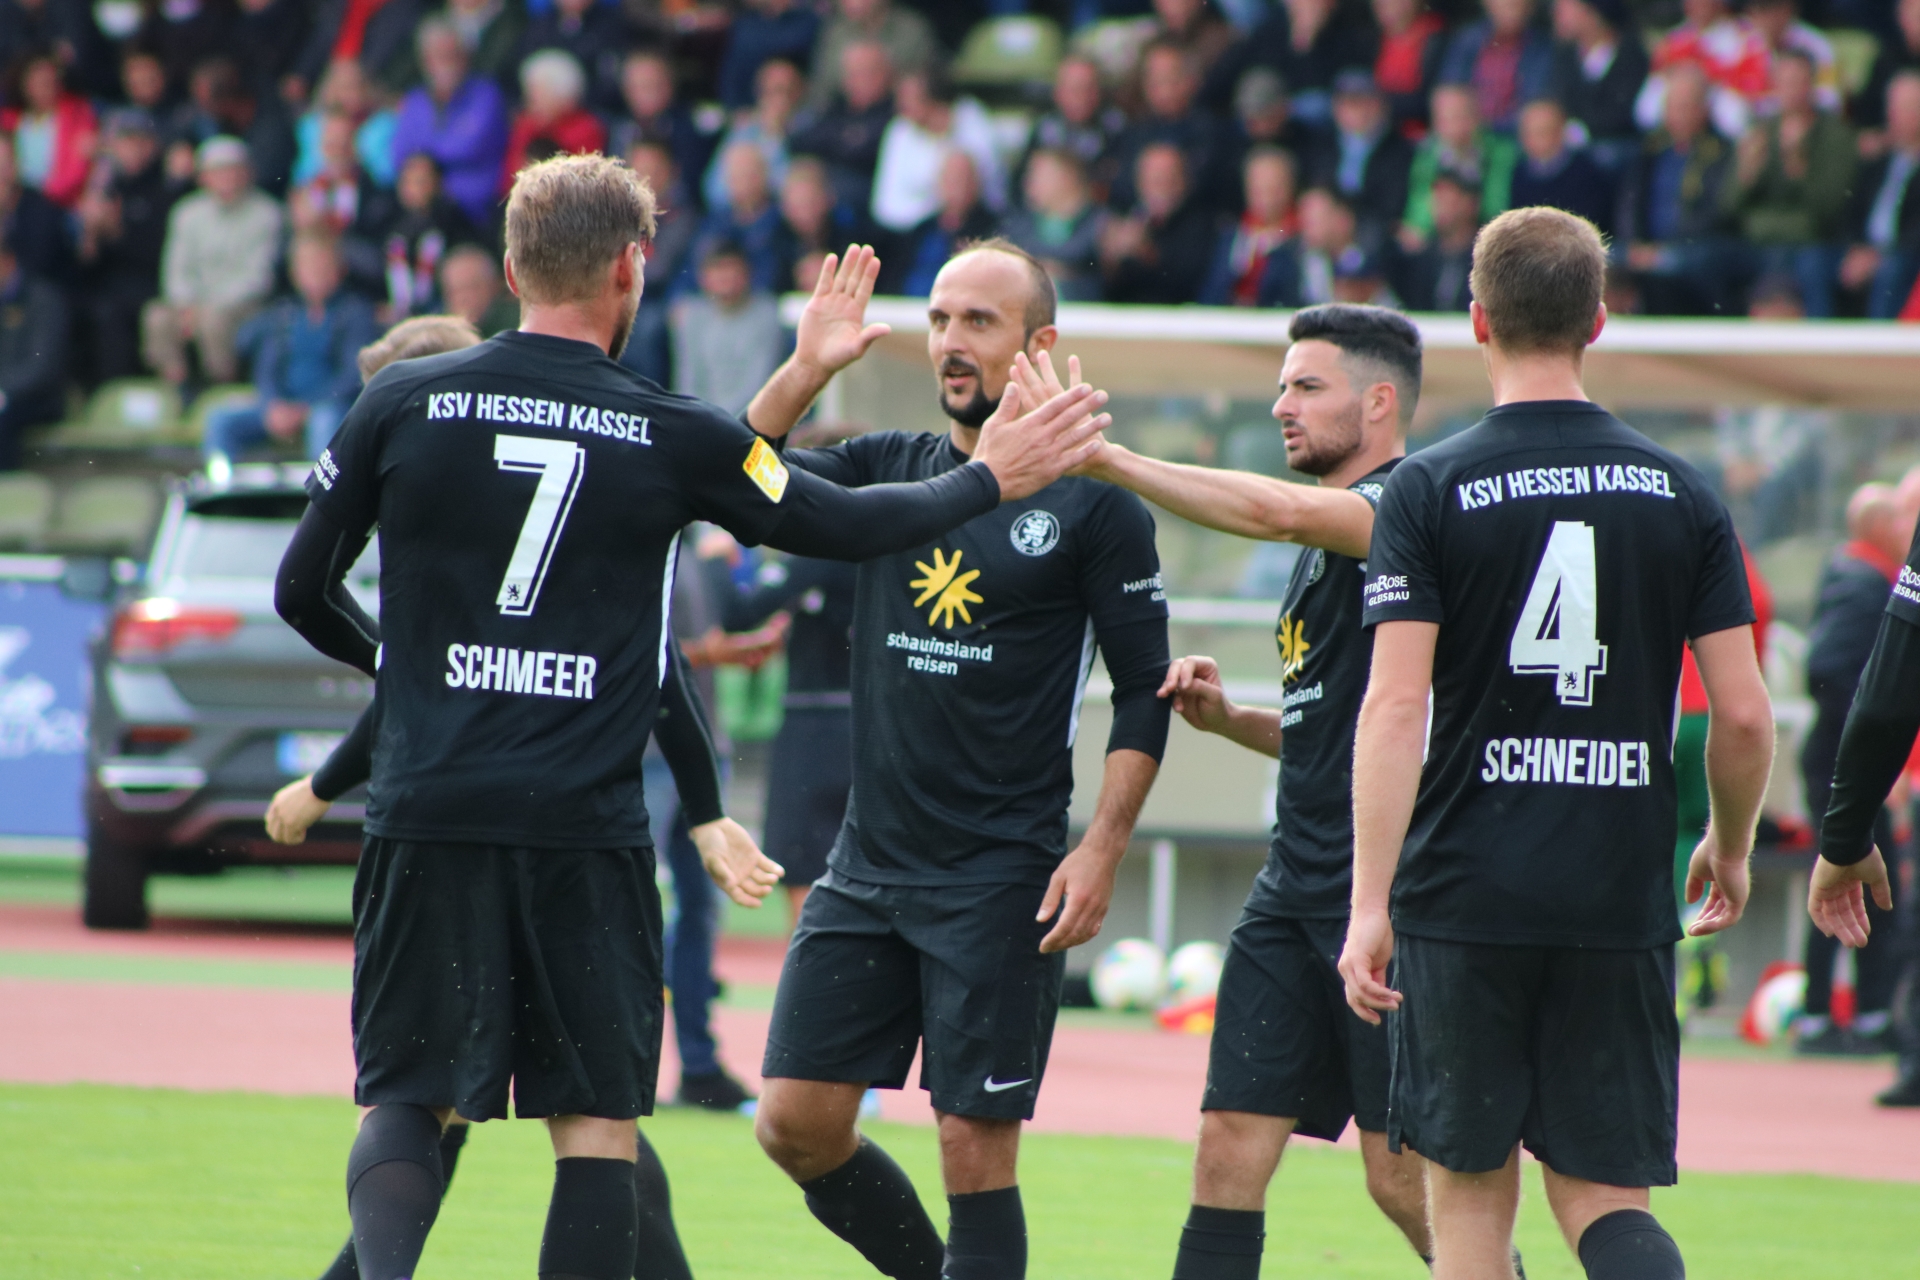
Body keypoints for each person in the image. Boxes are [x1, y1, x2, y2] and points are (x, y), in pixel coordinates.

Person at [271, 152, 1111, 1280]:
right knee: (594, 1125)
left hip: (427, 807)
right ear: (631, 268)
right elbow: (832, 521)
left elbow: (300, 590)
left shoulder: (399, 398)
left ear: (511, 269)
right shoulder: (664, 429)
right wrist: (987, 480)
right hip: (584, 827)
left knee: (408, 1096)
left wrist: (411, 670)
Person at [1338, 205, 1776, 1280]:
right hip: (1615, 896)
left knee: (1471, 1204)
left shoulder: (1428, 487)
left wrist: (1368, 901)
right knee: (1603, 1199)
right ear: (1599, 319)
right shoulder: (1681, 490)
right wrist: (1729, 845)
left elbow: (1394, 707)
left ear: (1477, 320)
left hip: (1464, 896)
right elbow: (1743, 713)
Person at [743, 237, 1170, 1280]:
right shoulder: (885, 465)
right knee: (794, 1124)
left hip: (999, 876)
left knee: (973, 1148)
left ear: (1039, 342)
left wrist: (1102, 848)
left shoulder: (1098, 506)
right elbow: (742, 487)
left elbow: (1144, 695)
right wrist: (803, 370)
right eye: (939, 319)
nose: (950, 340)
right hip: (866, 867)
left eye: (978, 320)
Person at [267, 309, 706, 1280]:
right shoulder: (575, 460)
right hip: (571, 833)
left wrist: (322, 784)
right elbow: (660, 674)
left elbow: (406, 683)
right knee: (591, 1124)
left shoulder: (445, 481)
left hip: (459, 829)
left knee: (439, 1106)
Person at [1066, 304, 1446, 1276]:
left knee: (1400, 1176)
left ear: (1379, 401)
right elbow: (1335, 731)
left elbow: (1273, 510)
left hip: (1391, 895)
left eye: (1306, 387)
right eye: (1280, 386)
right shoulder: (1324, 545)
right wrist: (1233, 720)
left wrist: (1106, 459)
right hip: (1292, 888)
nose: (1281, 405)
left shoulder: (1406, 507)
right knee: (1228, 1142)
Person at [1792, 482, 1913, 1056]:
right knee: (1851, 876)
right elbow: (1831, 670)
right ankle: (1842, 1015)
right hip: (1847, 761)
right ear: (1879, 526)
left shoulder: (1857, 578)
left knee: (1849, 877)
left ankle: (1842, 1013)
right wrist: (1870, 756)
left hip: (1843, 757)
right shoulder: (1863, 584)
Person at [203, 231, 377, 462]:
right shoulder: (284, 314)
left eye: (321, 265)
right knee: (221, 419)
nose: (315, 273)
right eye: (307, 266)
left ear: (339, 270)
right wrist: (272, 405)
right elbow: (267, 366)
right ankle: (220, 481)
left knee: (324, 420)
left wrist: (304, 408)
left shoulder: (355, 313)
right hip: (283, 406)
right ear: (295, 272)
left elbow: (352, 376)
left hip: (328, 407)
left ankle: (318, 484)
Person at [1721, 48, 1853, 318]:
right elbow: (1728, 206)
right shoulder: (1761, 130)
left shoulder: (1835, 135)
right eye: (1784, 82)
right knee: (1711, 260)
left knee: (1804, 264)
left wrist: (1798, 167)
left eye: (1798, 82)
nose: (1791, 91)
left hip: (1812, 242)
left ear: (1811, 86)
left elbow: (1828, 209)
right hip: (1759, 240)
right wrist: (1746, 174)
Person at [142, 135, 283, 390]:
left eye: (232, 171)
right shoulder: (186, 213)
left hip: (242, 304)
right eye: (217, 172)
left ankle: (220, 386)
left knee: (213, 320)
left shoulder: (267, 213)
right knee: (157, 316)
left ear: (246, 174)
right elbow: (176, 269)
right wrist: (186, 304)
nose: (226, 179)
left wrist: (205, 306)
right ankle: (176, 387)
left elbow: (258, 277)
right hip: (193, 304)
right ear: (203, 178)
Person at [1613, 62, 1735, 317]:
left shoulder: (1720, 153)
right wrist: (1636, 244)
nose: (1677, 115)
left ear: (1704, 109)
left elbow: (1717, 211)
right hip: (1644, 248)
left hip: (1692, 248)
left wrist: (1662, 251)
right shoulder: (1650, 150)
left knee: (1691, 261)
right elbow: (1630, 203)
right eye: (1672, 106)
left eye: (1685, 106)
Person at [76, 108, 181, 384]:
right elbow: (88, 261)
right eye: (126, 142)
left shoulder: (165, 189)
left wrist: (117, 233)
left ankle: (124, 388)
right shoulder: (105, 187)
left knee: (114, 313)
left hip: (151, 283)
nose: (134, 150)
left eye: (141, 141)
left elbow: (160, 252)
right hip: (108, 284)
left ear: (154, 146)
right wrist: (91, 234)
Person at [389, 17, 510, 230]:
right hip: (419, 206)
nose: (446, 64)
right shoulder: (416, 100)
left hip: (472, 211)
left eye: (453, 55)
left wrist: (425, 164)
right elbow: (399, 154)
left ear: (466, 57)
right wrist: (425, 169)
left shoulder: (486, 95)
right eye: (438, 56)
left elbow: (469, 146)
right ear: (425, 60)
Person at [1838, 70, 1920, 320]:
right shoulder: (1877, 162)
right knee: (1814, 263)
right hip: (1864, 248)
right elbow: (1851, 210)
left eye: (1906, 108)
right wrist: (1856, 248)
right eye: (1892, 108)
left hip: (1903, 254)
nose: (1894, 116)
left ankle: (1880, 337)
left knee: (1893, 270)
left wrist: (1879, 256)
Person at [670, 238, 784, 416]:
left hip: (751, 419)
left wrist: (721, 421)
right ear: (703, 277)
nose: (724, 277)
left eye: (730, 268)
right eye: (717, 269)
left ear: (747, 273)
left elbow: (760, 383)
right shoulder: (693, 317)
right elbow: (688, 382)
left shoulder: (767, 314)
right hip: (702, 420)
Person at [1099, 143, 1215, 305]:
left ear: (1184, 179)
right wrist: (1109, 260)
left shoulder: (1203, 223)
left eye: (1168, 177)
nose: (1160, 185)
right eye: (1153, 178)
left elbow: (1189, 285)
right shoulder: (1126, 217)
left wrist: (1144, 251)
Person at [1547, 0, 1648, 173]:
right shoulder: (1564, 57)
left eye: (1567, 7)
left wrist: (1587, 130)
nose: (1558, 14)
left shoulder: (1630, 54)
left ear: (1593, 12)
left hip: (1619, 153)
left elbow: (1625, 112)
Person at [999, 148, 1105, 303]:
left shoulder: (1102, 224)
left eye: (1038, 175)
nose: (1028, 183)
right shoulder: (1018, 227)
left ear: (1067, 178)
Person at [0, 229, 66, 469]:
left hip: (36, 398)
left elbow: (42, 365)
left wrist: (5, 389)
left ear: (8, 261)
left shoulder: (42, 300)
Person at [500, 48, 607, 189]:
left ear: (563, 96)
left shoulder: (587, 130)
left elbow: (582, 183)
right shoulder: (525, 125)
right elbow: (509, 178)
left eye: (537, 96)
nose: (529, 103)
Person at [1509, 97, 1612, 232]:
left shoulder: (1586, 173)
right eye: (1527, 133)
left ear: (1559, 132)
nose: (1532, 141)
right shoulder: (1519, 173)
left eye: (1541, 132)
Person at [438, 242, 517, 336]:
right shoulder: (440, 333)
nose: (463, 298)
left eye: (470, 287)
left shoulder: (515, 325)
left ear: (493, 286)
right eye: (454, 291)